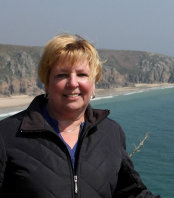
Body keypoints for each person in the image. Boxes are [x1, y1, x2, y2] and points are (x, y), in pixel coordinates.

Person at [0, 34, 161, 198]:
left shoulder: (111, 132)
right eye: (62, 75)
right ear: (47, 84)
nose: (72, 83)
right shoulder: (7, 135)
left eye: (82, 75)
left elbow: (130, 193)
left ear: (93, 84)